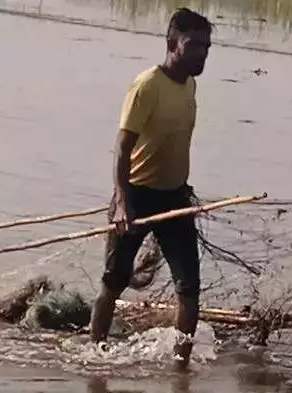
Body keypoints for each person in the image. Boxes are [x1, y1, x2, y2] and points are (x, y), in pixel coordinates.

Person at [90, 7, 212, 366]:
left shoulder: (190, 83)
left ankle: (180, 367)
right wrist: (122, 201)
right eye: (193, 45)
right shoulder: (147, 85)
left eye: (206, 46)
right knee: (114, 280)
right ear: (172, 43)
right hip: (138, 195)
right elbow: (122, 148)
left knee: (189, 289)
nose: (201, 53)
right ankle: (94, 352)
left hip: (175, 198)